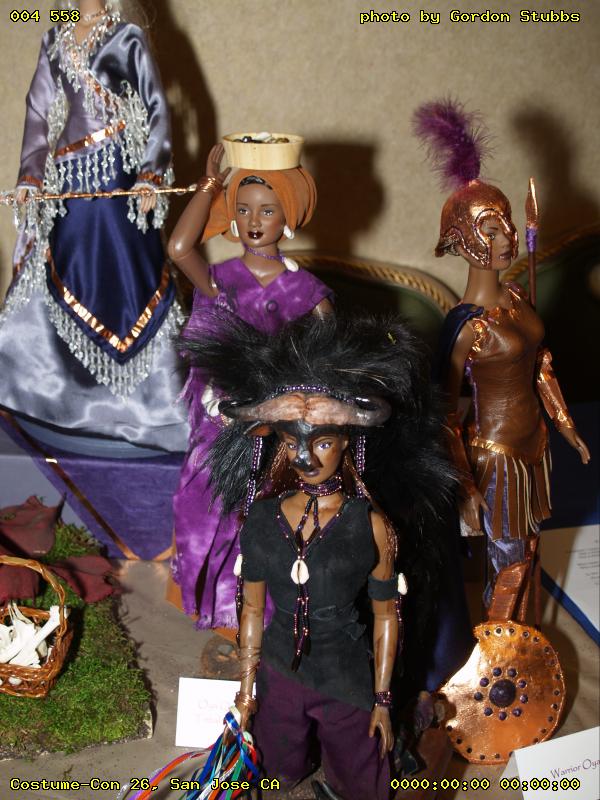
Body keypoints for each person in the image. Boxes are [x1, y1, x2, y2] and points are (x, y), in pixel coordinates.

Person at [181, 311, 459, 799]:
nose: (306, 457)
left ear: (346, 442)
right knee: (273, 776)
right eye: (292, 442)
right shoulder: (263, 518)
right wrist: (246, 690)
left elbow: (386, 614)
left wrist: (381, 700)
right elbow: (251, 609)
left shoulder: (370, 524)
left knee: (365, 787)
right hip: (279, 674)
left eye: (323, 441)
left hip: (345, 679)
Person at [415, 99, 590, 618]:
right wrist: (466, 485)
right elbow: (445, 415)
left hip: (533, 446)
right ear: (463, 241)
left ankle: (526, 637)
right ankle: (500, 648)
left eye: (507, 225)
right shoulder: (468, 325)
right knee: (508, 558)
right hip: (497, 457)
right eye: (491, 230)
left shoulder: (516, 298)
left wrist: (565, 425)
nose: (507, 238)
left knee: (530, 549)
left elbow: (541, 365)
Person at [0, 0, 187, 454]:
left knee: (129, 274)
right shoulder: (55, 33)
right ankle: (54, 396)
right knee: (61, 266)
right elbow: (38, 111)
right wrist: (30, 175)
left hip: (116, 175)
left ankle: (146, 405)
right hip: (69, 179)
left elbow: (157, 107)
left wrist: (150, 173)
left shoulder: (126, 37)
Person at [168, 136, 333, 625]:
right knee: (203, 510)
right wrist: (208, 186)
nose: (254, 221)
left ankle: (267, 620)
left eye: (267, 210)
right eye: (242, 210)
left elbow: (327, 364)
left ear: (288, 216)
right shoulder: (220, 279)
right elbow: (179, 247)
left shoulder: (307, 291)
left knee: (266, 521)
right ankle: (222, 612)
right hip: (218, 424)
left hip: (277, 427)